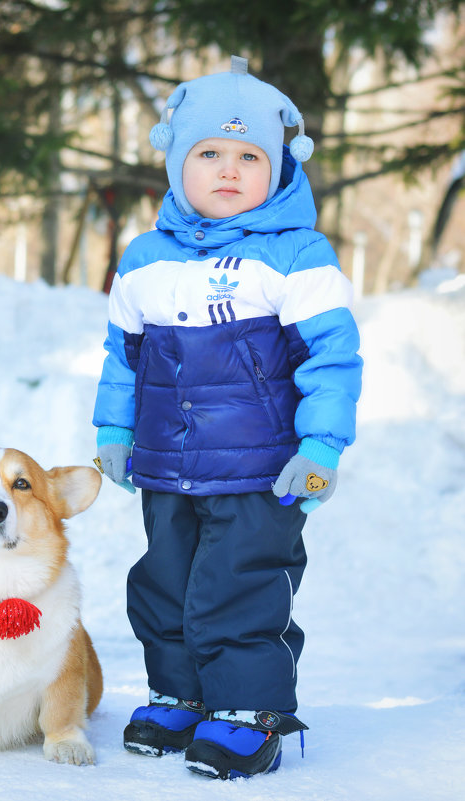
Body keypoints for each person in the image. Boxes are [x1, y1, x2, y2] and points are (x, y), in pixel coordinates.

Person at [92, 55, 362, 781]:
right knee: (164, 582)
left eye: (249, 156)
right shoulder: (145, 259)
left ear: (276, 167)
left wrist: (321, 445)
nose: (229, 169)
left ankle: (249, 711)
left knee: (239, 585)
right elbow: (124, 356)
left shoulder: (296, 256)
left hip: (259, 469)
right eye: (209, 153)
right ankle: (179, 693)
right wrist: (114, 431)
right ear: (179, 162)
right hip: (168, 467)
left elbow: (332, 359)